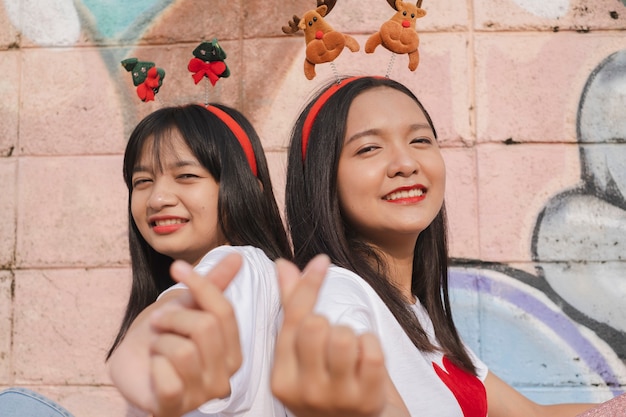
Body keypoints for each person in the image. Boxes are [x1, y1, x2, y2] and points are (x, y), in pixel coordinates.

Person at [273, 75, 597, 417]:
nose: (406, 164)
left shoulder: (416, 313)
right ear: (322, 178)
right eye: (369, 148)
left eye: (420, 140)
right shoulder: (335, 295)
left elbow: (533, 415)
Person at [106, 103, 292, 417]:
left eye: (187, 175)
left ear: (248, 190)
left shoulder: (239, 265)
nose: (158, 199)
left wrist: (145, 343)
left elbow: (182, 306)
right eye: (143, 182)